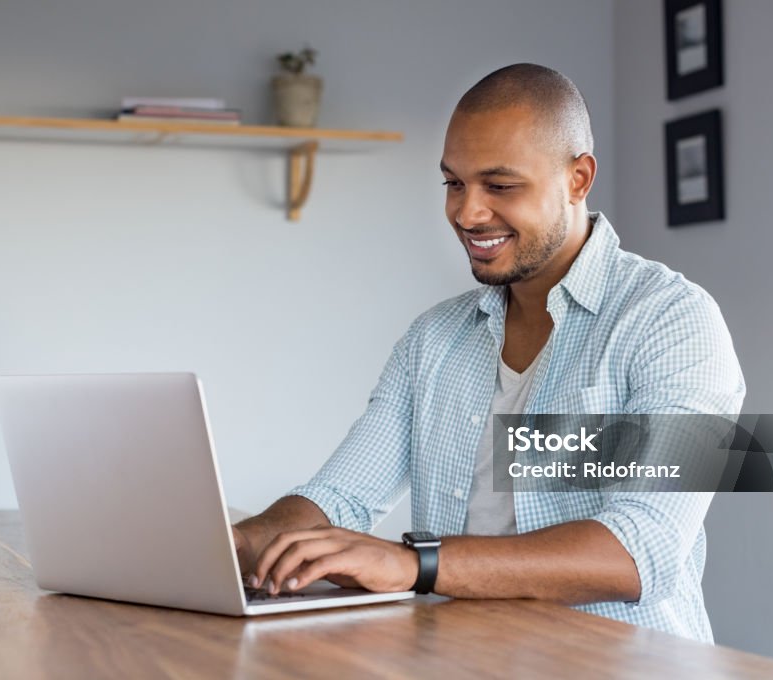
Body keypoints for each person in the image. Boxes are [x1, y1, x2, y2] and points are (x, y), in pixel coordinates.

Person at [232, 63, 744, 643]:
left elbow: (640, 549)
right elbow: (341, 496)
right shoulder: (434, 340)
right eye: (454, 183)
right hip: (465, 657)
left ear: (578, 178)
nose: (467, 213)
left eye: (500, 186)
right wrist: (243, 541)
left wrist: (415, 563)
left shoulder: (670, 321)